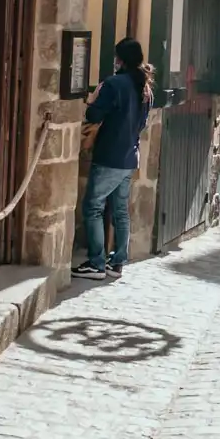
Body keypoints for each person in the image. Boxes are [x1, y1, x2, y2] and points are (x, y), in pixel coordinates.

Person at [76, 39, 153, 280]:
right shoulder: (145, 87)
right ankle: (117, 261)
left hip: (109, 154)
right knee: (120, 210)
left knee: (93, 207)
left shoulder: (114, 84)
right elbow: (142, 123)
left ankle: (97, 262)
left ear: (120, 59)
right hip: (130, 155)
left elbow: (93, 113)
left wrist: (95, 96)